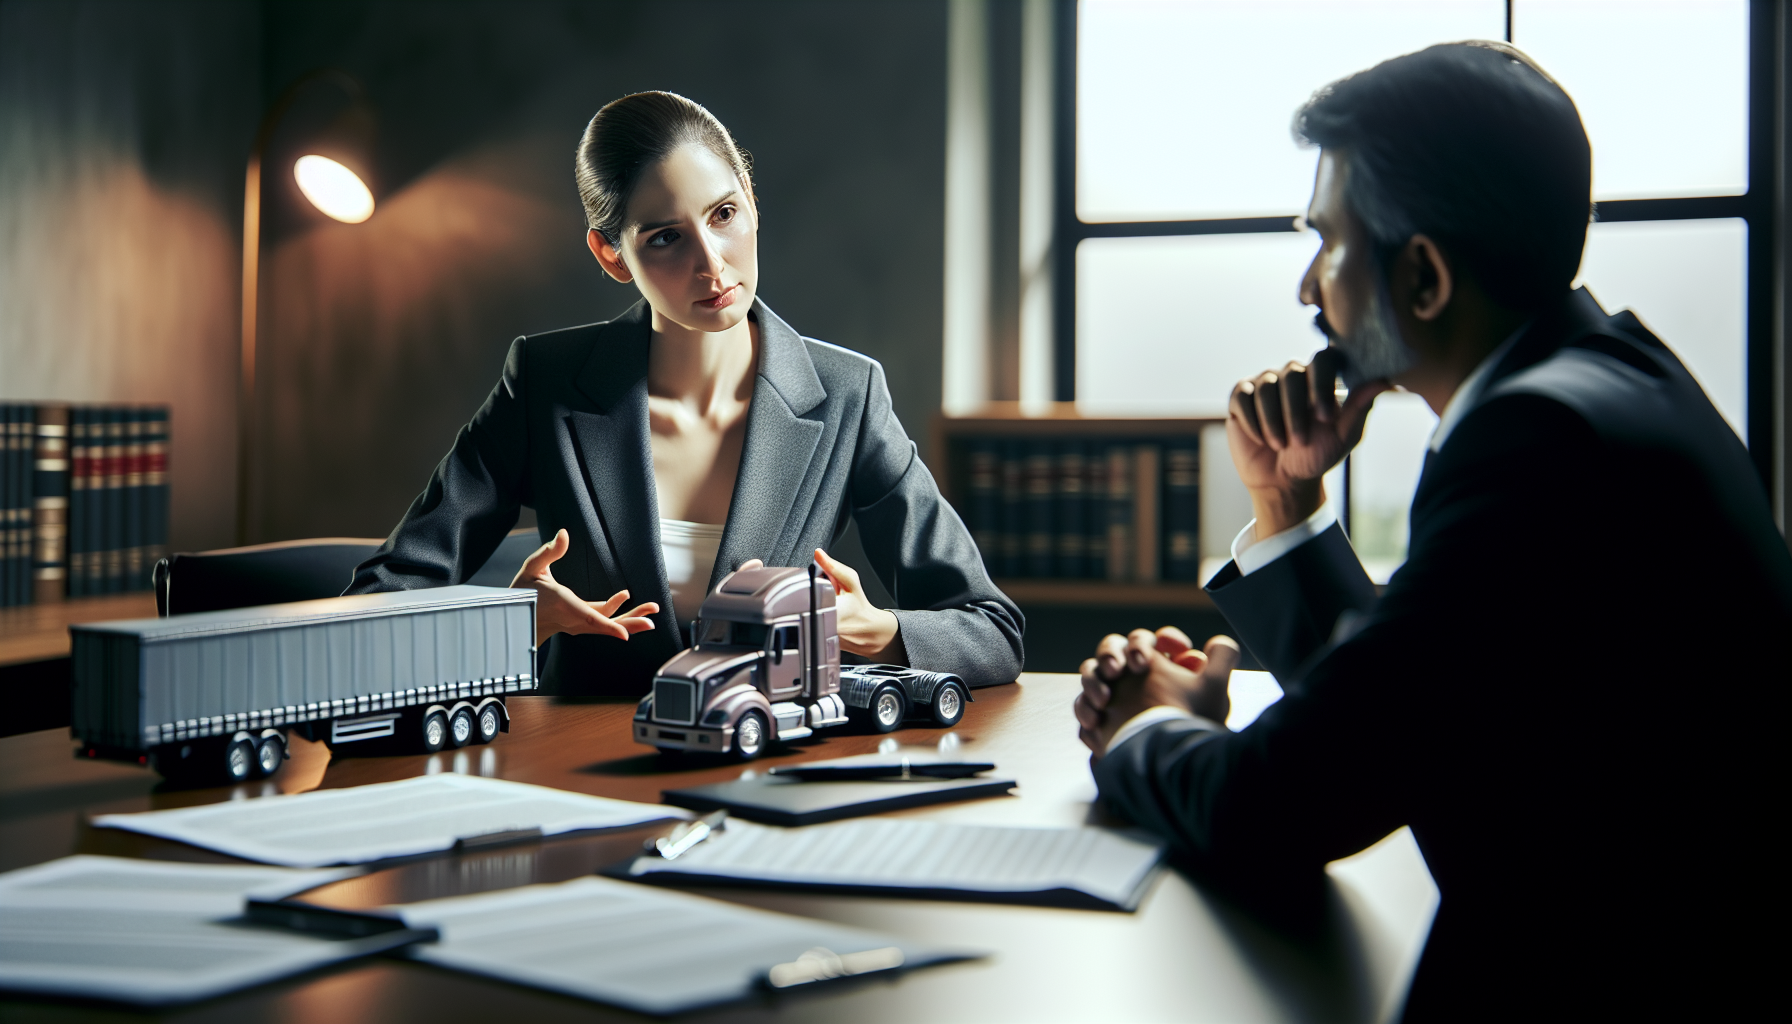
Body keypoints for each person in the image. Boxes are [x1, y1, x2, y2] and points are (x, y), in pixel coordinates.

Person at [1072, 43, 1789, 1020]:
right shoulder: (1621, 380)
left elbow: (1281, 804)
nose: (1303, 290)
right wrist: (1287, 500)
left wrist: (1141, 727)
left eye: (1325, 242)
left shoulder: (1533, 446)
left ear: (1423, 278)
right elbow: (1411, 700)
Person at [348, 91, 1022, 695]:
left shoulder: (848, 394)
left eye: (724, 213)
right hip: (579, 788)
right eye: (666, 237)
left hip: (772, 774)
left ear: (753, 203)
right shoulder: (544, 385)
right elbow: (377, 605)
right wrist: (508, 622)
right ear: (612, 256)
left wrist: (874, 629)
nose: (711, 262)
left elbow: (991, 630)